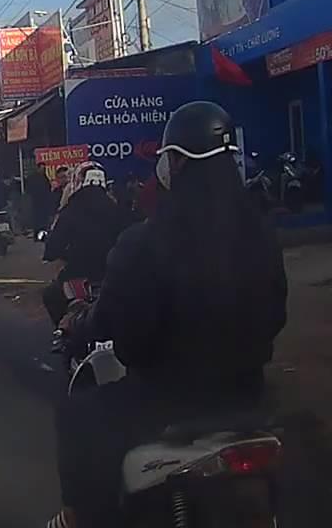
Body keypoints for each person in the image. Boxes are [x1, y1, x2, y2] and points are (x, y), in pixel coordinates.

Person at [46, 102, 288, 528]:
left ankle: (77, 517)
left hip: (167, 400)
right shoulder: (263, 236)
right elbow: (276, 317)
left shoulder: (145, 241)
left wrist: (81, 325)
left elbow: (121, 331)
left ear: (176, 162)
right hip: (249, 394)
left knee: (77, 415)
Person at [40, 165, 123, 329]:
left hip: (78, 273)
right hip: (112, 273)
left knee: (50, 295)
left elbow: (54, 245)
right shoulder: (117, 209)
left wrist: (52, 252)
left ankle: (63, 333)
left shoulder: (71, 209)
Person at [27, 163, 54, 240]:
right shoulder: (32, 178)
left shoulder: (44, 177)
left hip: (44, 202)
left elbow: (48, 188)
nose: (43, 170)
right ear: (38, 168)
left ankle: (42, 236)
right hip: (36, 201)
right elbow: (29, 189)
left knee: (43, 220)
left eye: (44, 169)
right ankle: (37, 235)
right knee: (37, 220)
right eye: (42, 168)